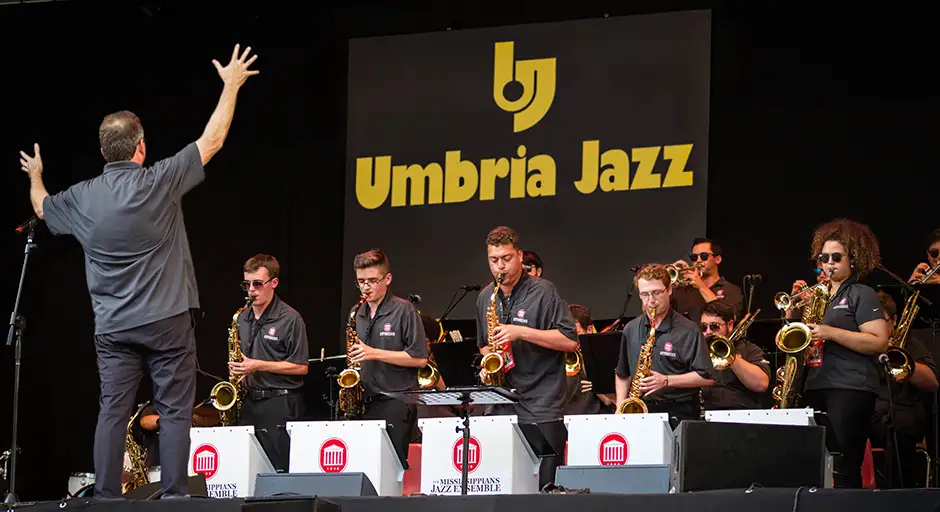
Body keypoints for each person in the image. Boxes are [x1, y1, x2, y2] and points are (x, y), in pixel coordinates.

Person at [17, 44, 258, 499]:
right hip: (167, 321)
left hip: (113, 328)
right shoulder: (159, 180)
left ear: (104, 152)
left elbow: (43, 210)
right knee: (173, 410)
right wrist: (230, 86)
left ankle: (105, 499)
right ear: (141, 147)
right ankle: (174, 497)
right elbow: (212, 141)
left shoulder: (83, 197)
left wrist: (36, 175)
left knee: (112, 409)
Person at [475, 226, 579, 489]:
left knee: (544, 486)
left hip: (540, 401)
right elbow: (483, 345)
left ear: (520, 256)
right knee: (502, 482)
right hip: (500, 401)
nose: (500, 267)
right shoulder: (486, 296)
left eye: (506, 259)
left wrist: (521, 332)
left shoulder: (544, 291)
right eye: (493, 260)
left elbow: (570, 341)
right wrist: (489, 365)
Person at [793, 218, 891, 488]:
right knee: (811, 467)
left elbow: (879, 341)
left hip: (849, 387)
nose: (829, 263)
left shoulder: (862, 293)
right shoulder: (818, 296)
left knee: (845, 470)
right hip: (815, 385)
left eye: (836, 257)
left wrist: (831, 332)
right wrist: (793, 314)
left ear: (853, 259)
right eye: (824, 258)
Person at [348, 249, 428, 470]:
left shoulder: (405, 310)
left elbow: (420, 359)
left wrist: (373, 353)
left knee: (392, 469)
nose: (366, 287)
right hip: (365, 402)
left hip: (396, 401)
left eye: (373, 281)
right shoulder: (357, 313)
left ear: (388, 279)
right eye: (361, 281)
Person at [231, 254, 309, 472]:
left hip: (280, 403)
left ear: (273, 283)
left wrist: (257, 365)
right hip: (249, 402)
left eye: (257, 284)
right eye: (247, 284)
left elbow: (301, 367)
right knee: (247, 470)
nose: (251, 290)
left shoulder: (290, 318)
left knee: (280, 469)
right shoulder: (242, 318)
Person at [615, 263, 715, 428]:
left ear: (669, 290)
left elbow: (707, 377)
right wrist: (621, 407)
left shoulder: (689, 330)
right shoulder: (631, 328)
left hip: (678, 410)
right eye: (645, 294)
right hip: (642, 409)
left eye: (656, 292)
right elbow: (622, 374)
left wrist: (667, 380)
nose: (651, 301)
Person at [869, 291, 939, 488]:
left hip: (903, 415)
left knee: (897, 428)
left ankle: (898, 496)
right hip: (871, 414)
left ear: (894, 320)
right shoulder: (862, 342)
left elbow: (933, 382)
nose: (877, 327)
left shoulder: (910, 343)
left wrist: (903, 361)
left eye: (882, 321)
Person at [698, 301, 770, 410]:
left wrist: (731, 357)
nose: (708, 332)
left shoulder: (748, 349)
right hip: (705, 414)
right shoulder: (697, 349)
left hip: (739, 416)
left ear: (730, 325)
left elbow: (761, 384)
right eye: (703, 327)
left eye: (714, 327)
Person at [671, 238, 744, 324]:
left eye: (704, 256)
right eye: (694, 257)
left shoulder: (732, 290)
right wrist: (666, 281)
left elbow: (729, 318)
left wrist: (701, 286)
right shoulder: (681, 289)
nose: (698, 260)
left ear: (718, 259)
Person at [565, 304, 614, 414]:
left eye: (574, 332)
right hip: (564, 419)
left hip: (595, 418)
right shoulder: (559, 356)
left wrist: (595, 383)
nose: (569, 337)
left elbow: (609, 400)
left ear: (589, 330)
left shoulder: (603, 355)